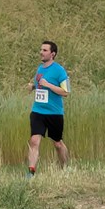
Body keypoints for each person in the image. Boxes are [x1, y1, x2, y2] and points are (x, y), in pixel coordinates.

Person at [26, 40, 70, 176]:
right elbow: (41, 86)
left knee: (57, 144)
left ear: (52, 54)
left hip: (54, 113)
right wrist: (33, 87)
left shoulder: (59, 70)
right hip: (38, 111)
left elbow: (66, 92)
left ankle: (65, 169)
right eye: (41, 50)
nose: (41, 52)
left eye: (45, 50)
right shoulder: (40, 68)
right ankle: (31, 172)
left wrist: (49, 85)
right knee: (34, 141)